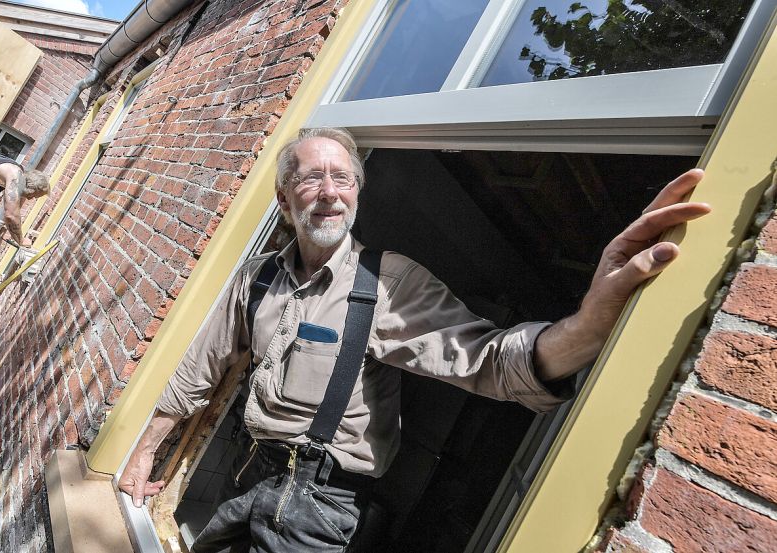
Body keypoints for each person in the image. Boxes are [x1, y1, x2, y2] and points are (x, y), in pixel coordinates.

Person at [117, 128, 711, 552]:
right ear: (283, 198)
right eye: (311, 177)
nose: (329, 190)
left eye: (343, 178)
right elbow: (202, 366)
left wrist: (587, 325)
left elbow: (486, 361)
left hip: (319, 507)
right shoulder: (259, 276)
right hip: (249, 473)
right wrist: (146, 448)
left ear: (357, 193)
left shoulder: (387, 282)